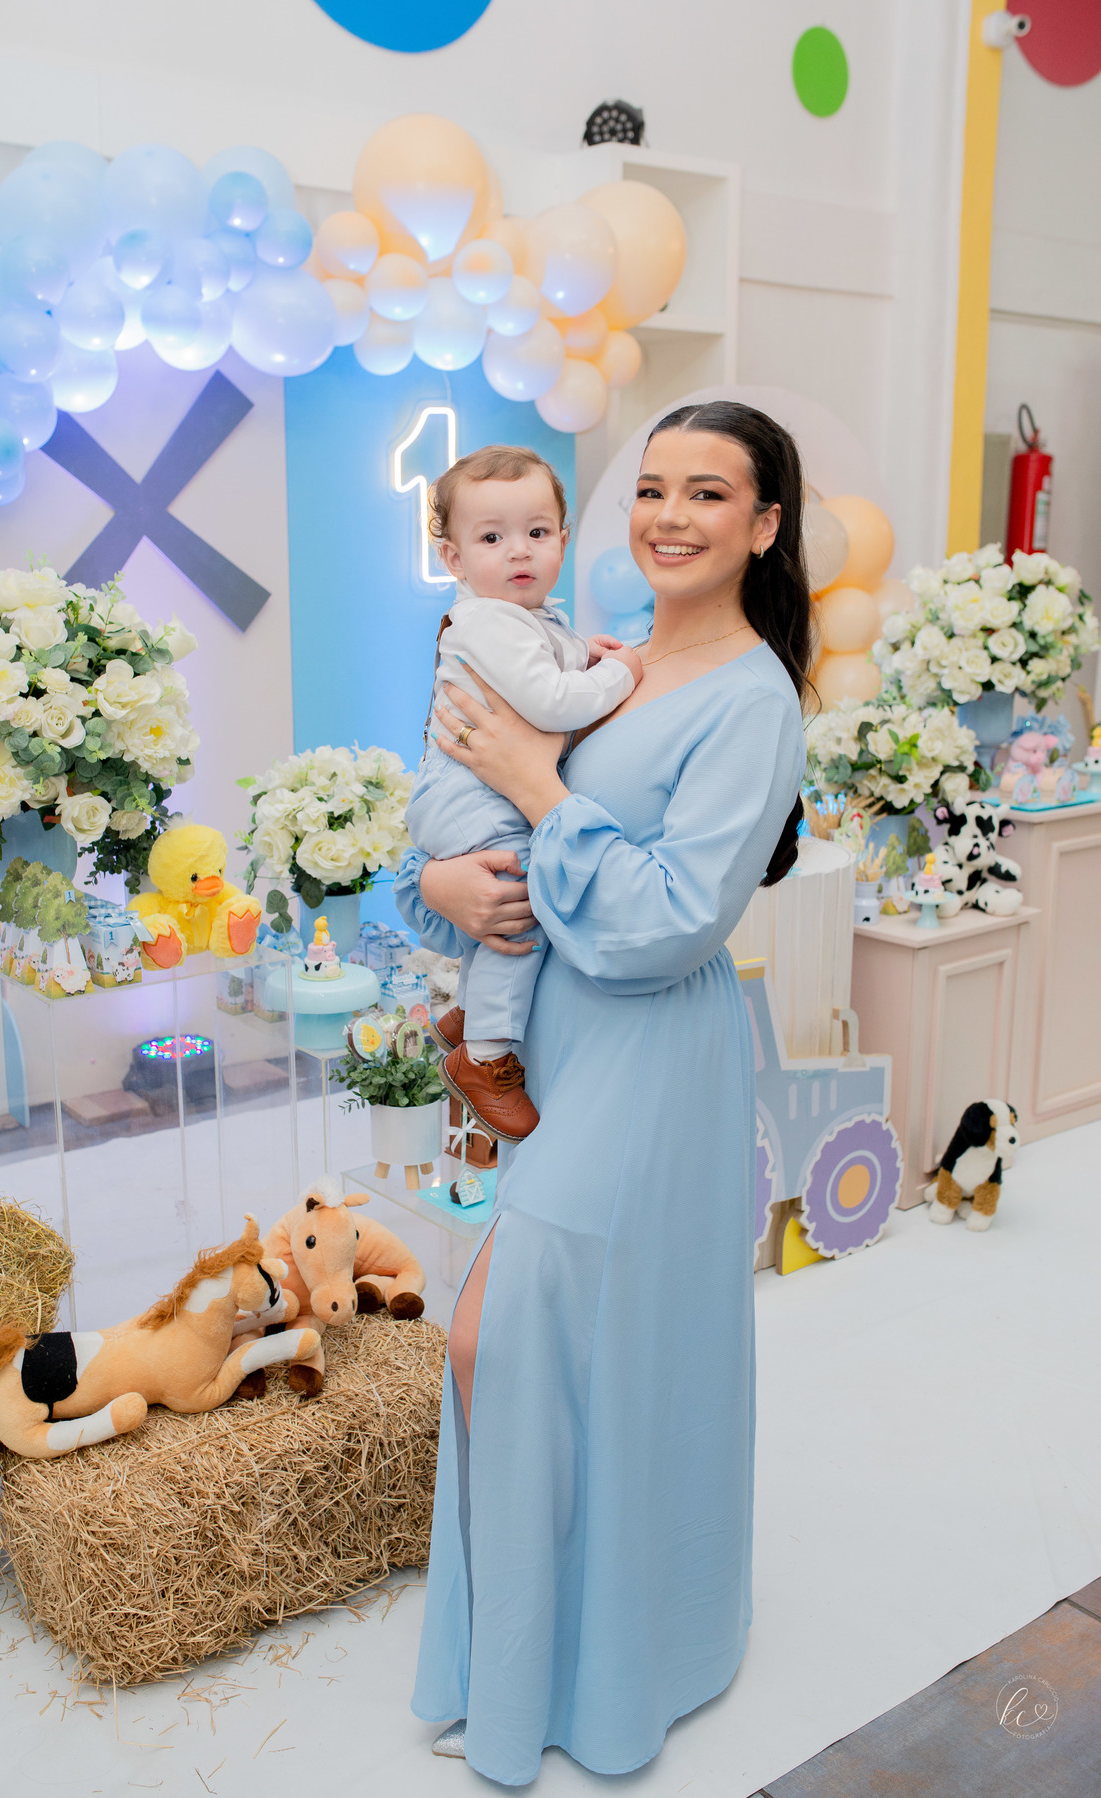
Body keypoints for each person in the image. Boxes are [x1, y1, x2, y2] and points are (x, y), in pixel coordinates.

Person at [394, 401, 813, 1785]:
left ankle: (616, 1659)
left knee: (516, 1339)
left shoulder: (752, 699)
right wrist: (439, 880)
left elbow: (671, 919)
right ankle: (530, 1661)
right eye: (653, 487)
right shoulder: (582, 650)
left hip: (648, 1049)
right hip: (554, 1031)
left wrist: (536, 782)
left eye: (710, 493)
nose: (671, 516)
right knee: (560, 1351)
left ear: (763, 525)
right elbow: (452, 823)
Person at [406, 445, 642, 1142]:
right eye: (491, 538)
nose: (519, 551)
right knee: (520, 900)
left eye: (537, 532)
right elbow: (549, 701)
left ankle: (467, 1016)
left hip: (475, 788)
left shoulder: (525, 618)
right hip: (469, 794)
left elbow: (545, 666)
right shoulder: (488, 620)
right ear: (453, 559)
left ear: (563, 541)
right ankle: (486, 1058)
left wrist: (585, 654)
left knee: (511, 891)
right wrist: (622, 673)